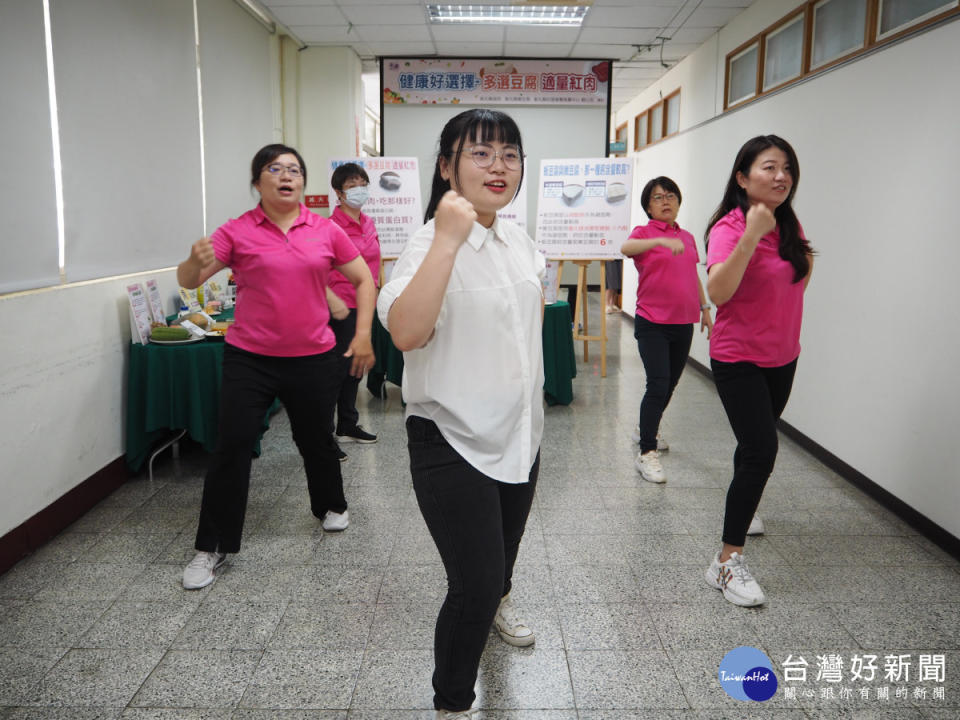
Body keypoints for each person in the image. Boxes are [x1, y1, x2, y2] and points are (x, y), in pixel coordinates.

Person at [377, 109, 544, 719]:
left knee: (501, 560)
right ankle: (451, 703)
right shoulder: (429, 244)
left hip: (521, 437)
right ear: (446, 167)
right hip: (452, 438)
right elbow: (406, 332)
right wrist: (447, 238)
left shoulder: (520, 241)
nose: (498, 166)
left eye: (510, 153)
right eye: (480, 153)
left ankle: (500, 598)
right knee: (472, 586)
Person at [177, 143, 377, 590]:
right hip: (250, 359)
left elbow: (363, 279)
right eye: (274, 169)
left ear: (303, 182)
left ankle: (330, 504)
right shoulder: (237, 231)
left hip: (312, 355)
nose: (286, 176)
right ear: (257, 182)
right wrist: (194, 261)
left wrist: (363, 335)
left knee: (315, 438)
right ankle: (212, 546)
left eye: (294, 170)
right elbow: (189, 280)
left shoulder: (323, 230)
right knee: (233, 446)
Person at [702, 135, 814, 606]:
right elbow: (718, 291)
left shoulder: (789, 224)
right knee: (762, 450)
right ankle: (725, 563)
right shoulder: (730, 226)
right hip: (738, 357)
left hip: (782, 356)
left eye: (787, 167)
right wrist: (751, 234)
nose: (781, 176)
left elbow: (797, 277)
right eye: (769, 167)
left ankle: (742, 511)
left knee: (753, 444)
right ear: (743, 177)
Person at [621, 177, 713, 483]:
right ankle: (647, 453)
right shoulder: (644, 233)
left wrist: (704, 308)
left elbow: (692, 276)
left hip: (682, 322)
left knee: (670, 384)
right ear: (648, 205)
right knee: (658, 383)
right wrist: (658, 241)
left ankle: (645, 428)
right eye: (658, 197)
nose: (665, 201)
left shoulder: (686, 237)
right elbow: (626, 247)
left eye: (670, 196)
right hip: (652, 322)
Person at [327, 163, 382, 458]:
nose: (359, 188)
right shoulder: (330, 226)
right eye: (352, 184)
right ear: (338, 191)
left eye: (363, 182)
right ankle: (324, 436)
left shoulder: (368, 222)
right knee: (336, 369)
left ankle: (347, 425)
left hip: (365, 303)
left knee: (355, 369)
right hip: (340, 306)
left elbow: (374, 260)